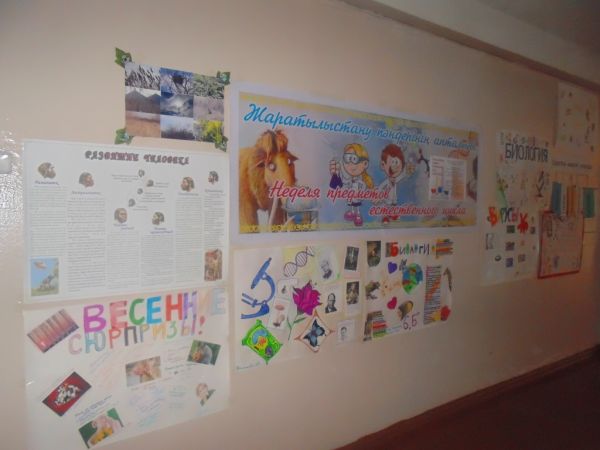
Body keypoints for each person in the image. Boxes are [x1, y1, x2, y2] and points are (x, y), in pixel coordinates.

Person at [329, 143, 373, 226]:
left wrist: (361, 194)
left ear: (365, 164)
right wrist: (336, 174)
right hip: (351, 196)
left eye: (353, 159)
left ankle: (358, 215)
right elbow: (342, 184)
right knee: (351, 204)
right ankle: (352, 212)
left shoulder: (360, 181)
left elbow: (363, 187)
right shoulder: (348, 179)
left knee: (357, 206)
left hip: (357, 197)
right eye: (347, 158)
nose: (349, 164)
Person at [377, 144, 407, 224]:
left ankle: (393, 215)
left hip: (394, 197)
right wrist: (379, 195)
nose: (395, 166)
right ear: (383, 165)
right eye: (392, 162)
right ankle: (385, 217)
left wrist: (407, 170)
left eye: (397, 162)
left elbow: (402, 175)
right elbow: (380, 187)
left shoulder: (396, 179)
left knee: (393, 206)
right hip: (387, 198)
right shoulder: (387, 181)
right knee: (386, 207)